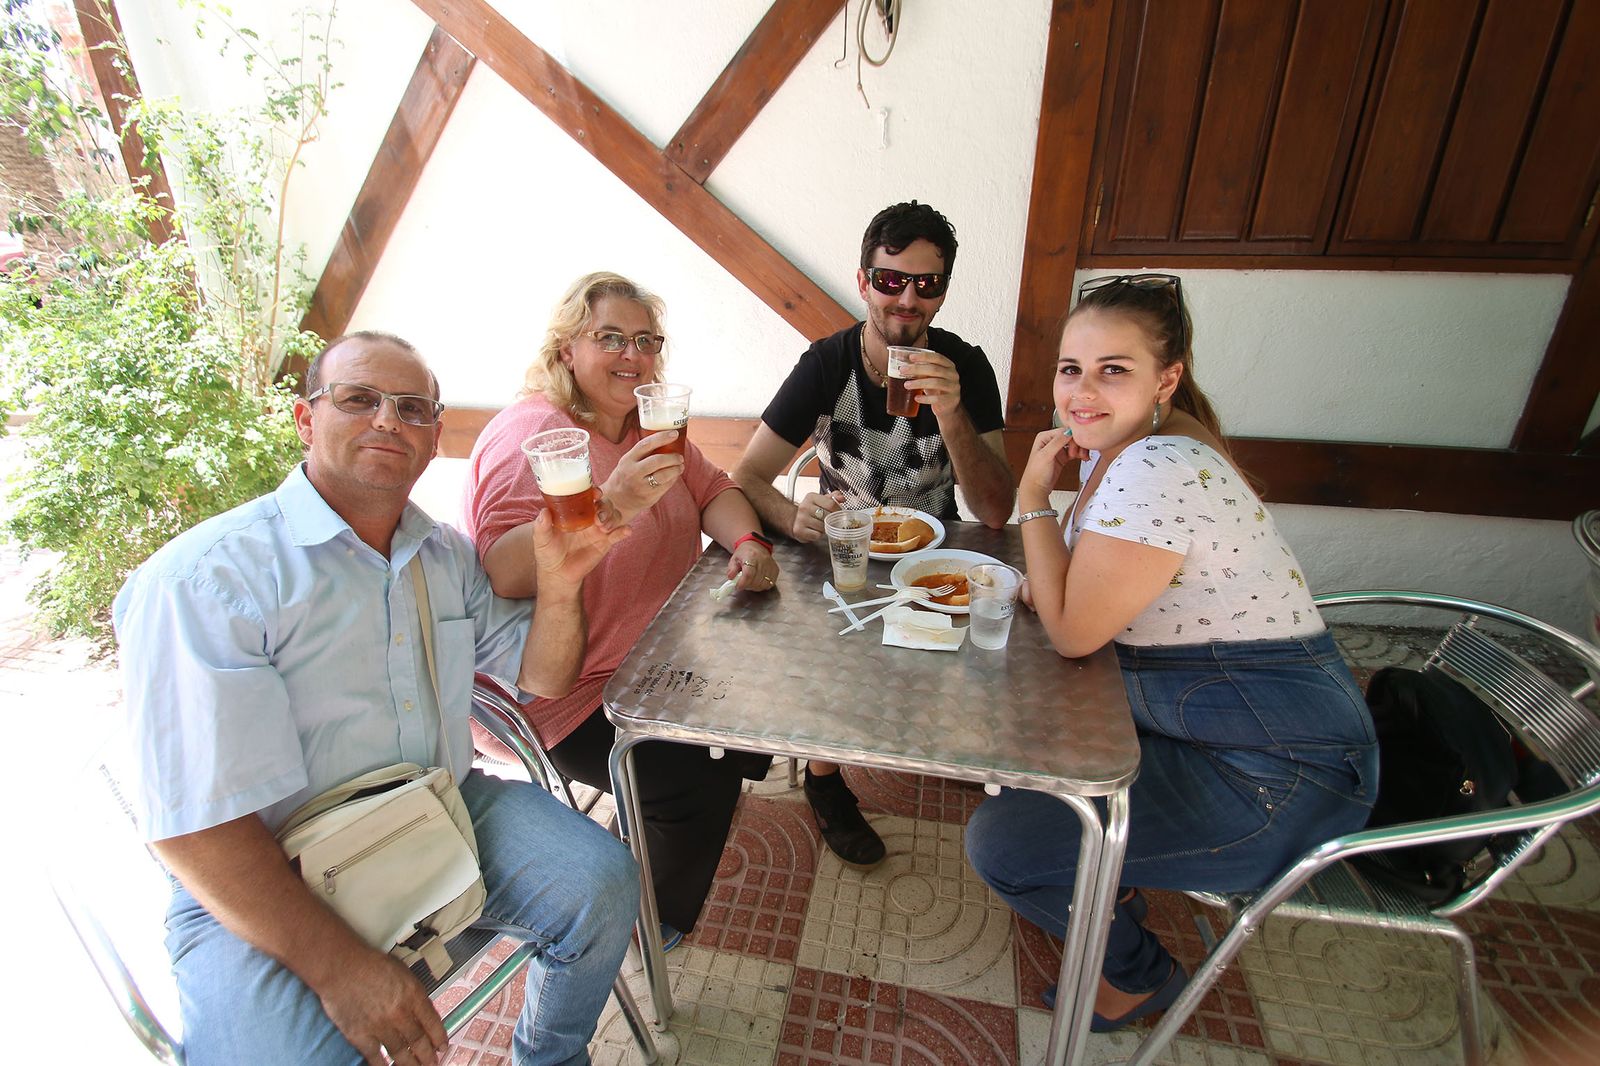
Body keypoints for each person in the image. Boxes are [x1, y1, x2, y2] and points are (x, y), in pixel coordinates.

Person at [113, 331, 640, 1066]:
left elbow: (543, 679)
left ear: (432, 440)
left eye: (413, 408)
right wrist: (343, 970)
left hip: (438, 809)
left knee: (604, 881)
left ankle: (551, 1057)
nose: (388, 420)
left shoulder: (444, 554)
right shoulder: (206, 582)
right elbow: (195, 830)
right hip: (270, 871)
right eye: (358, 399)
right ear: (305, 419)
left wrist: (563, 580)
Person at [963, 274, 1378, 1031]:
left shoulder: (1156, 468)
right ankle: (1110, 883)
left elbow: (1072, 632)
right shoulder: (1140, 447)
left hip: (1279, 780)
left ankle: (1136, 977)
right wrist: (1050, 582)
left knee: (1005, 845)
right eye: (1070, 369)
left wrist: (1031, 491)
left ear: (1168, 376)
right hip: (1243, 731)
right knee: (1029, 749)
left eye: (1112, 369)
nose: (1082, 392)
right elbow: (1077, 595)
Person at [462, 272, 778, 948]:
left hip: (653, 659)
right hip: (560, 693)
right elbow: (503, 570)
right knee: (700, 777)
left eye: (645, 340)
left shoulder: (646, 425)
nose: (632, 355)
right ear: (567, 347)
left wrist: (747, 540)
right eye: (611, 337)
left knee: (757, 707)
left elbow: (712, 486)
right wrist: (614, 501)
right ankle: (642, 925)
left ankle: (646, 823)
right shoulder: (536, 436)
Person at [733, 200, 1016, 867]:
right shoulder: (827, 365)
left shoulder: (965, 368)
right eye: (891, 280)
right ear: (864, 282)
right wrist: (790, 515)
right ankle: (825, 780)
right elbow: (747, 476)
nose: (907, 298)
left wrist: (953, 416)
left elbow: (998, 510)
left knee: (989, 645)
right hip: (847, 553)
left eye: (927, 283)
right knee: (830, 674)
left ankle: (957, 749)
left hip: (937, 551)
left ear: (943, 292)